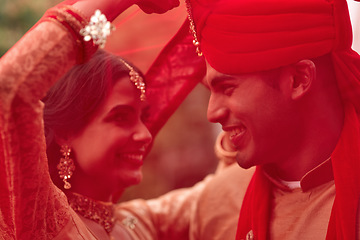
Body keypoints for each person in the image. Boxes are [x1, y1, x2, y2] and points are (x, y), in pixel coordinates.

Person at [116, 0, 360, 239]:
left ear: (298, 80)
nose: (212, 113)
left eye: (227, 88)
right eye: (210, 92)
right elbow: (101, 222)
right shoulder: (226, 196)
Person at [0, 0, 183, 239]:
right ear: (67, 132)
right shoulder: (43, 218)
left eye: (143, 117)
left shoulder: (139, 224)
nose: (145, 135)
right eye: (120, 117)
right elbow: (9, 90)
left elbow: (223, 193)